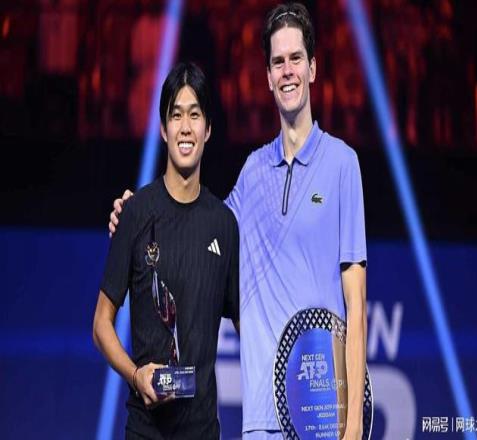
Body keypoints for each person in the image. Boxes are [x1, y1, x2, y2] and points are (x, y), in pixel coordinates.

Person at [110, 3, 367, 439]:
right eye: (278, 62)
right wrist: (138, 212)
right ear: (267, 76)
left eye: (296, 59)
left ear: (313, 68)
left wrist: (354, 426)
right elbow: (192, 220)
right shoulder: (253, 172)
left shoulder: (343, 164)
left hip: (322, 416)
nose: (287, 71)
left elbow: (356, 305)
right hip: (261, 421)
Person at [93, 61, 239, 439]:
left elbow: (249, 330)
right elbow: (101, 324)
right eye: (176, 115)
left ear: (208, 129)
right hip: (145, 430)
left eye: (195, 115)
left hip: (203, 431)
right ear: (163, 128)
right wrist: (135, 375)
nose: (185, 127)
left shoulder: (224, 224)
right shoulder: (135, 213)